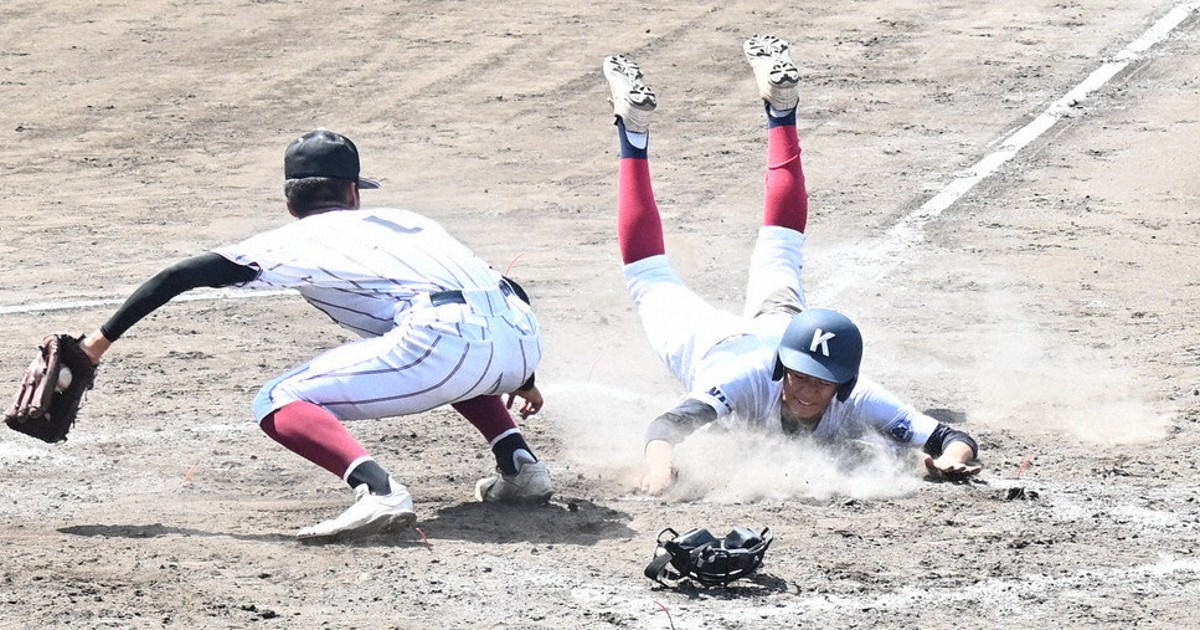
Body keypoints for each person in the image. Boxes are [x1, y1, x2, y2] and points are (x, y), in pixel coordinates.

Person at [75, 129, 554, 538]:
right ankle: (520, 465)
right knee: (429, 346)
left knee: (279, 400)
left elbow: (181, 274)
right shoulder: (412, 222)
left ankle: (379, 491)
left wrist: (98, 342)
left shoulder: (295, 239)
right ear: (352, 193)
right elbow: (509, 286)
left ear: (290, 202)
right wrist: (523, 376)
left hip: (445, 344)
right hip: (519, 332)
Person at [602, 35, 982, 497]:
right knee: (650, 274)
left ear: (843, 385)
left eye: (820, 384)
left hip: (781, 327)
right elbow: (667, 427)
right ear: (783, 366)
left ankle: (780, 112)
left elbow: (951, 438)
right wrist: (660, 468)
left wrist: (949, 460)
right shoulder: (742, 380)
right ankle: (635, 136)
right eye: (799, 375)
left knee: (780, 249)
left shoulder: (860, 396)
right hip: (712, 345)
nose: (805, 391)